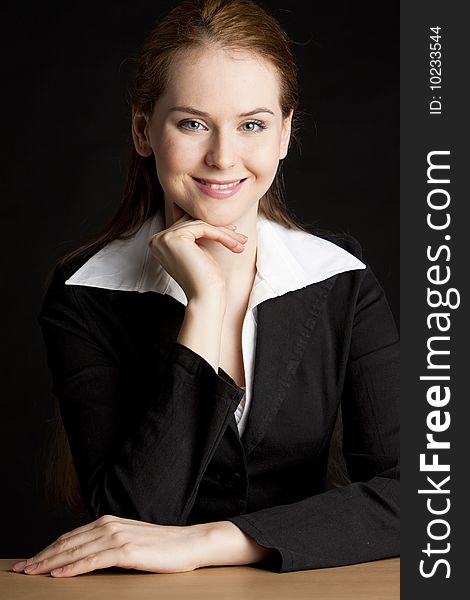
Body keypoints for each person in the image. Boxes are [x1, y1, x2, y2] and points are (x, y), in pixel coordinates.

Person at [13, 0, 399, 578]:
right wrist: (207, 306)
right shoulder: (85, 295)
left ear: (285, 135)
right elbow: (129, 521)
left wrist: (211, 543)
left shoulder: (340, 278)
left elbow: (424, 496)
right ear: (144, 130)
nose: (222, 158)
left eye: (252, 125)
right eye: (192, 123)